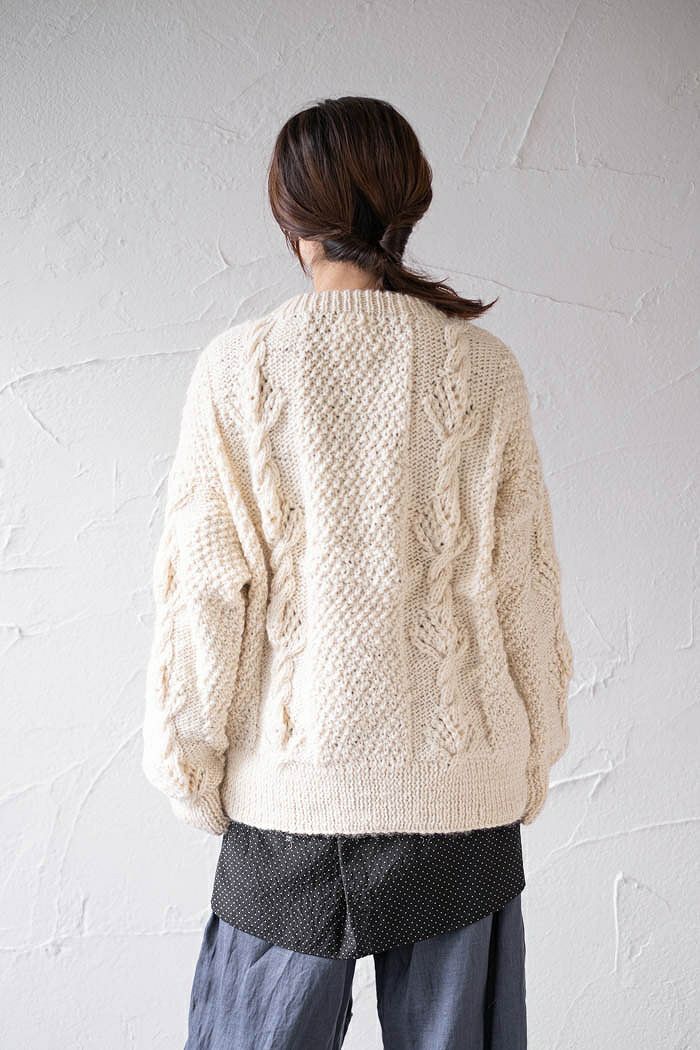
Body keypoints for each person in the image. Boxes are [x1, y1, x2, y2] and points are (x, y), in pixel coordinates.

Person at [141, 96, 574, 1050]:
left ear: (289, 213)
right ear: (409, 203)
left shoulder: (239, 369)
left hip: (288, 803)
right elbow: (525, 588)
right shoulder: (485, 369)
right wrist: (529, 758)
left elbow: (206, 594)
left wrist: (191, 769)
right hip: (462, 799)